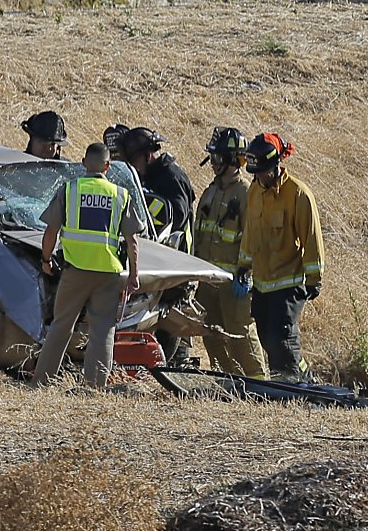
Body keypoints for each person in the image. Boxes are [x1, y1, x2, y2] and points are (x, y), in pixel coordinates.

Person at [32, 142, 145, 389]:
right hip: (108, 273)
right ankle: (95, 387)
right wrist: (134, 274)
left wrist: (46, 259)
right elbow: (132, 239)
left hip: (75, 271)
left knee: (61, 326)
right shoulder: (120, 195)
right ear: (108, 166)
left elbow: (51, 230)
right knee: (103, 331)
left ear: (84, 162)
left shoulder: (70, 190)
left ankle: (42, 383)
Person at [238, 132, 324, 380]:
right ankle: (301, 379)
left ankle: (292, 384)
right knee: (266, 337)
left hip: (289, 283)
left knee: (282, 337)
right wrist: (243, 266)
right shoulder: (254, 192)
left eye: (262, 171)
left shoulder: (298, 194)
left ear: (275, 166)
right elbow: (250, 233)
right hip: (263, 283)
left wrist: (313, 279)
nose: (258, 176)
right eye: (255, 172)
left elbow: (311, 238)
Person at [121, 125, 199, 365]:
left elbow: (174, 216)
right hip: (154, 256)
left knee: (171, 317)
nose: (132, 166)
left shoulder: (172, 177)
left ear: (147, 154)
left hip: (175, 260)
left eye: (133, 160)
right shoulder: (146, 176)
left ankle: (176, 364)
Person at [191, 127, 266, 376]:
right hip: (207, 279)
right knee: (210, 331)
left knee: (240, 333)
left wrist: (246, 273)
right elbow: (198, 234)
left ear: (233, 159)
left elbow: (254, 238)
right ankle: (227, 380)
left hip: (234, 281)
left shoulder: (246, 194)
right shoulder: (209, 192)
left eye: (217, 158)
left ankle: (259, 383)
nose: (212, 163)